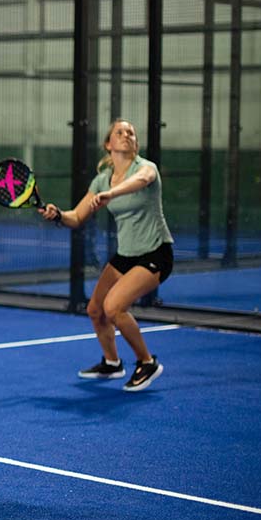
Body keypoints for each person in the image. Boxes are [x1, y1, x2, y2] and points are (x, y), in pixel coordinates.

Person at [39, 119, 174, 392]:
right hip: (126, 255)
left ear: (136, 143)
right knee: (96, 310)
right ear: (108, 144)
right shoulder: (101, 180)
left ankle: (146, 362)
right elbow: (76, 217)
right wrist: (57, 215)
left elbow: (140, 181)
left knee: (114, 307)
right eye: (120, 132)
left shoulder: (147, 169)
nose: (126, 135)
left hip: (156, 253)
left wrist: (110, 193)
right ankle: (112, 363)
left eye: (131, 133)